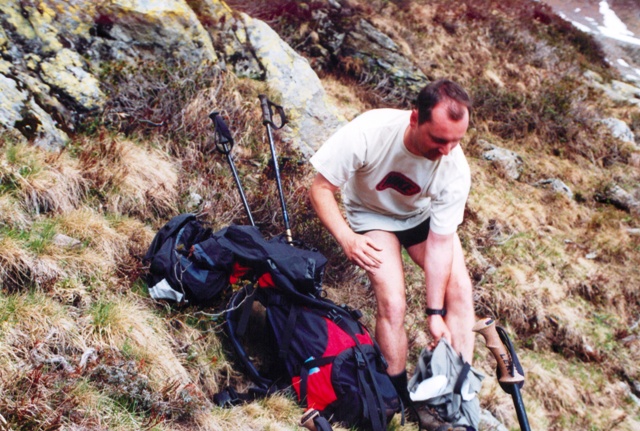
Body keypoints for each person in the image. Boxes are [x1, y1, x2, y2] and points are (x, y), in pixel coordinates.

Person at [308, 78, 475, 409]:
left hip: (418, 218)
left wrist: (434, 313)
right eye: (439, 139)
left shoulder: (454, 167)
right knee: (393, 303)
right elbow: (320, 188)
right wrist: (347, 238)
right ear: (414, 119)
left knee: (459, 289)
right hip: (371, 216)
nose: (447, 150)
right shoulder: (372, 130)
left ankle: (455, 395)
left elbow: (441, 245)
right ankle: (396, 399)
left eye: (456, 141)